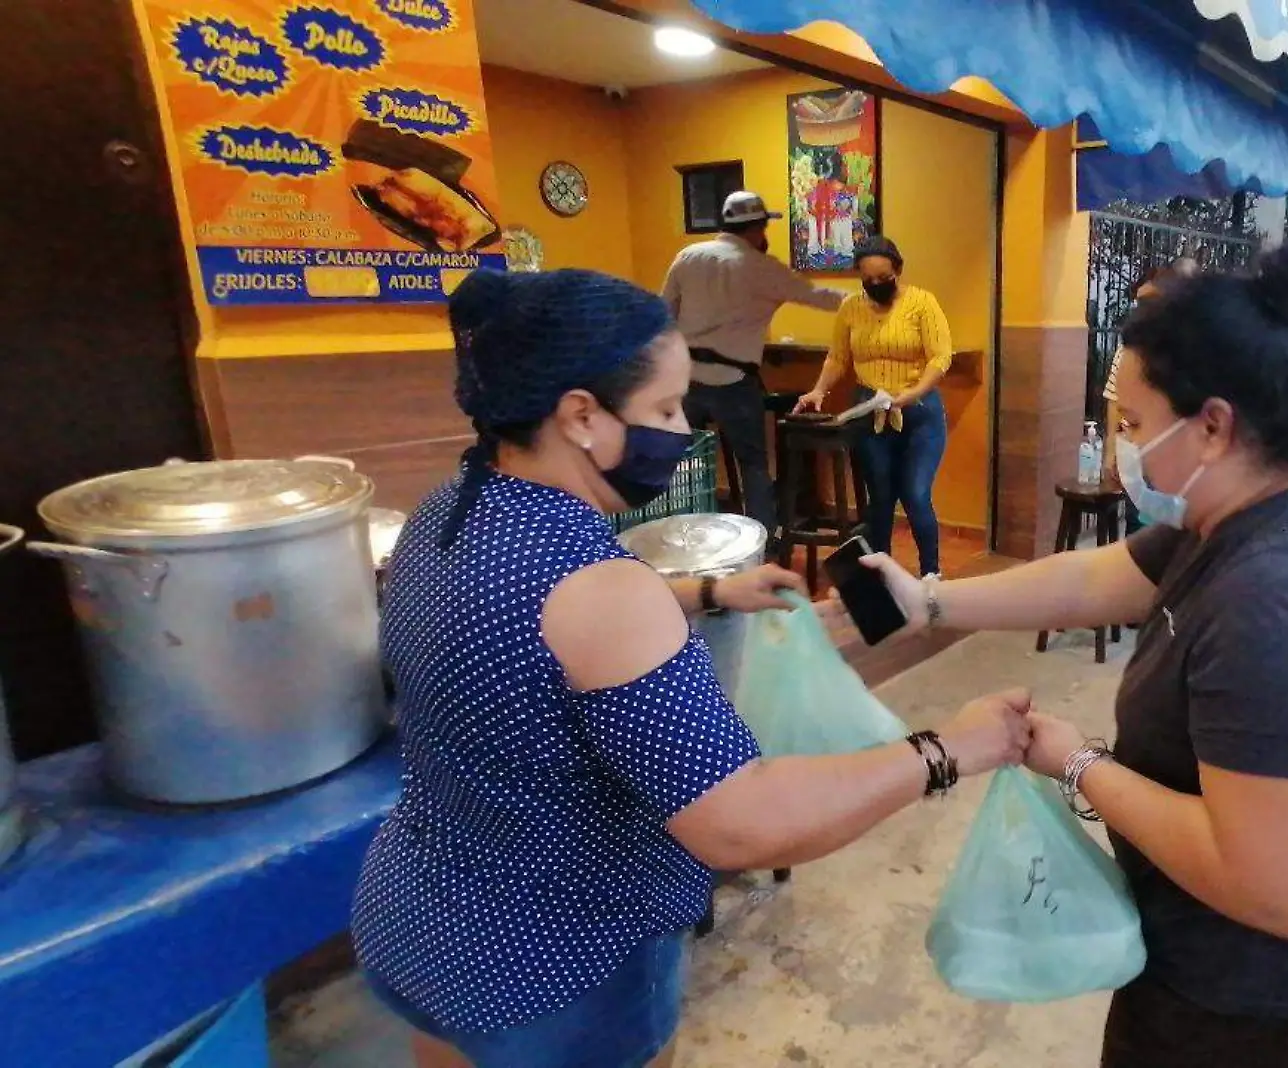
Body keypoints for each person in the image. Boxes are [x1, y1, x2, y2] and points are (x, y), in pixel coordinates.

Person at [352, 268, 1030, 1068]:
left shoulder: (446, 514)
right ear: (580, 417)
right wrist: (950, 749)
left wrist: (708, 590)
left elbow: (538, 627)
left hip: (419, 919)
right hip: (558, 964)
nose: (680, 432)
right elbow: (742, 822)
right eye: (666, 409)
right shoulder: (599, 587)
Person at [842, 241, 1288, 1066]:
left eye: (1132, 424)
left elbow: (1286, 893)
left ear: (1212, 425)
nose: (1123, 446)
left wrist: (1077, 763)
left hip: (1277, 1010)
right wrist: (934, 602)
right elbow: (1104, 575)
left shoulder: (1282, 600)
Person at [663, 191, 844, 536]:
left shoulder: (688, 256)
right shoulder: (763, 268)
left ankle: (683, 536)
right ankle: (762, 540)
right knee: (753, 466)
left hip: (685, 378)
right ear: (758, 228)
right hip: (734, 380)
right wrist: (869, 303)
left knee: (681, 462)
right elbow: (822, 298)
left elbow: (664, 314)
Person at [794, 237, 956, 576]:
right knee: (879, 497)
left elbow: (940, 357)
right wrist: (819, 390)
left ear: (898, 270)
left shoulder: (922, 303)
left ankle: (931, 574)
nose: (876, 285)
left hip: (919, 412)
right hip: (870, 410)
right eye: (868, 280)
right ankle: (880, 574)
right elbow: (838, 357)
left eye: (883, 278)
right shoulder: (851, 307)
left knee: (914, 493)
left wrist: (913, 393)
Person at [1105, 257, 1200, 532]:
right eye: (1140, 304)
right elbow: (1116, 400)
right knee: (1141, 527)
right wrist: (1116, 446)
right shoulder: (1131, 349)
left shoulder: (1200, 350)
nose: (1143, 312)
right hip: (1146, 463)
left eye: (1150, 304)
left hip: (1178, 463)